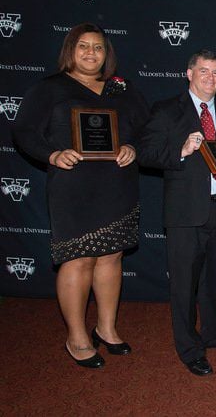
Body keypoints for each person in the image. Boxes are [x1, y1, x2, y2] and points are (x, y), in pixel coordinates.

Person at [12, 23, 147, 369]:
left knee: (111, 257)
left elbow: (146, 129)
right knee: (78, 260)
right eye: (83, 46)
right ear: (70, 50)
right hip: (73, 187)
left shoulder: (122, 89)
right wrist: (52, 154)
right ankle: (77, 335)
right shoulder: (50, 88)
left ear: (108, 53)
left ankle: (106, 328)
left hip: (117, 184)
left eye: (98, 47)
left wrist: (133, 146)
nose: (91, 53)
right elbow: (24, 131)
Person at [137, 49, 216, 376]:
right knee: (184, 286)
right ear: (189, 74)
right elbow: (145, 152)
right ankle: (189, 348)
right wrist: (181, 150)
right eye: (204, 71)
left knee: (215, 281)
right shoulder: (167, 111)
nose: (210, 78)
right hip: (185, 215)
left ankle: (215, 334)